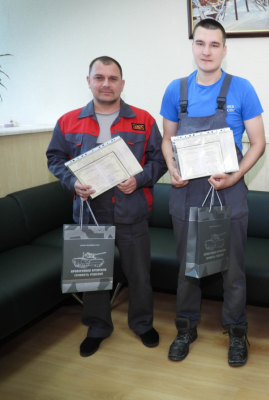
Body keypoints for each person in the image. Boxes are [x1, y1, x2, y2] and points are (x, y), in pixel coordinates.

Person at [160, 19, 265, 367]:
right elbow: (167, 139)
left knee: (232, 270)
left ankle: (236, 331)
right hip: (186, 192)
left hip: (228, 193)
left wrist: (235, 177)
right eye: (200, 43)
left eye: (214, 44)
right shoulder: (176, 90)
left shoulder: (242, 89)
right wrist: (172, 167)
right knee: (188, 267)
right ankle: (185, 328)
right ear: (193, 46)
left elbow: (258, 142)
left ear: (224, 49)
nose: (207, 51)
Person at [47, 56, 167, 357]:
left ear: (122, 84)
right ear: (88, 81)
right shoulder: (68, 121)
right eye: (99, 77)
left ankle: (142, 324)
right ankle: (97, 328)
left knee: (139, 275)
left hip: (131, 210)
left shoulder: (143, 119)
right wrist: (72, 182)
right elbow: (55, 159)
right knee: (93, 274)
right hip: (90, 212)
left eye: (113, 78)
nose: (106, 84)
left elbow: (159, 160)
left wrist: (139, 179)